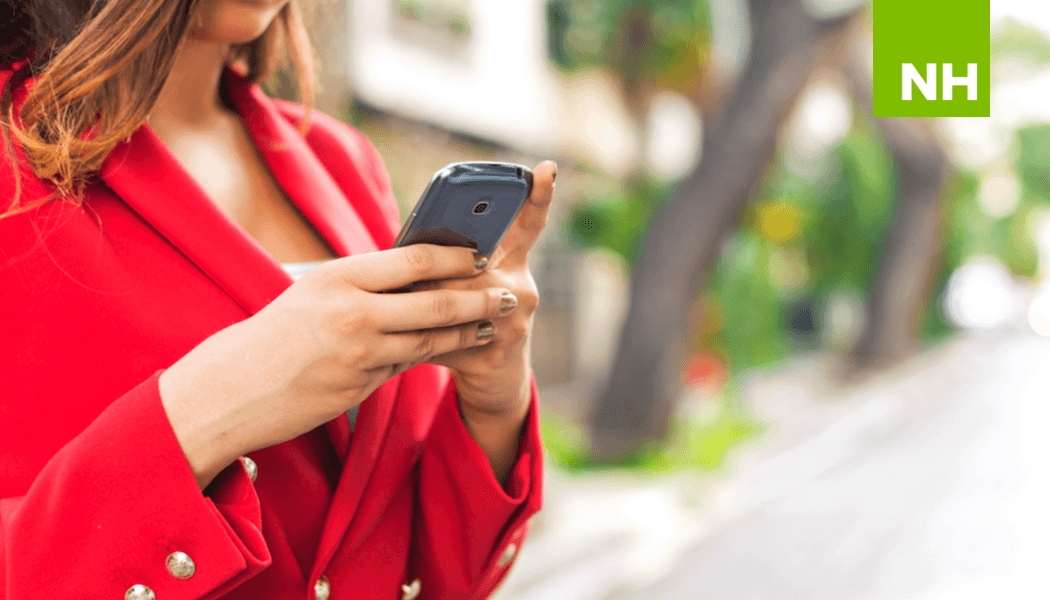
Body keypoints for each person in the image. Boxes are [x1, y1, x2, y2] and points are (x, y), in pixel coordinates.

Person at [0, 0, 553, 598]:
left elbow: (431, 573)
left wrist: (493, 402)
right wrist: (206, 410)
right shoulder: (15, 163)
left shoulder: (342, 161)